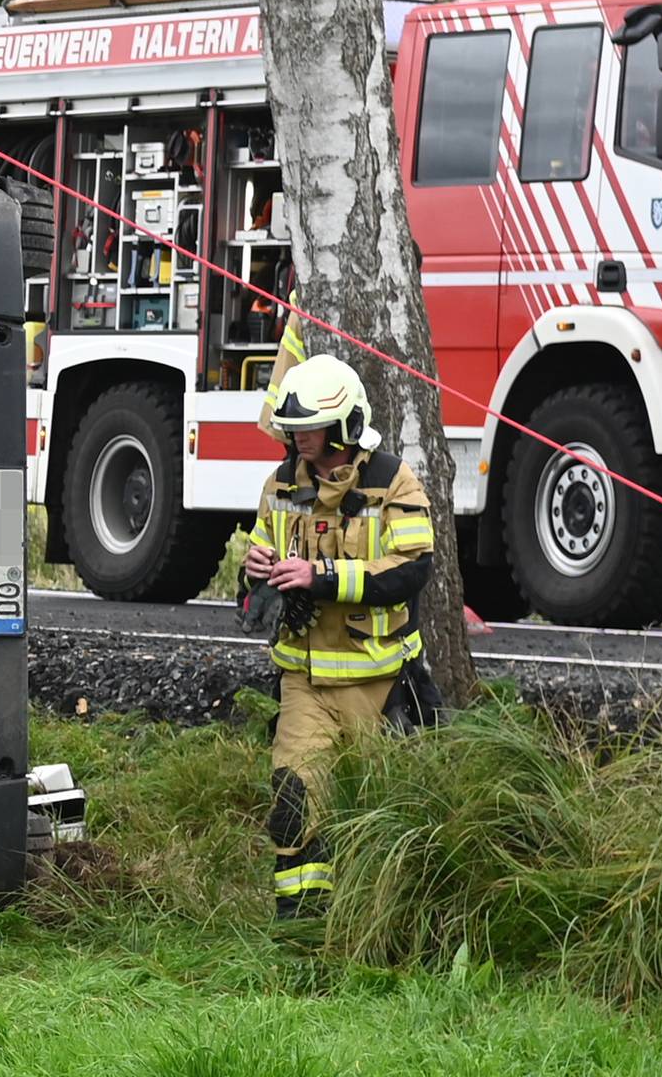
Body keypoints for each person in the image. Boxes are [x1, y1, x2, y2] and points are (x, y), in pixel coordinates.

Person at [240, 354, 434, 920]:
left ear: (346, 428)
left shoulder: (393, 482)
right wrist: (255, 571)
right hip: (304, 682)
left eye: (310, 427)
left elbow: (412, 569)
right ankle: (300, 930)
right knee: (293, 802)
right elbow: (251, 576)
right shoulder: (278, 486)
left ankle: (383, 924)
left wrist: (322, 577)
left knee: (387, 812)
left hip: (381, 685)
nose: (298, 437)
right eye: (293, 427)